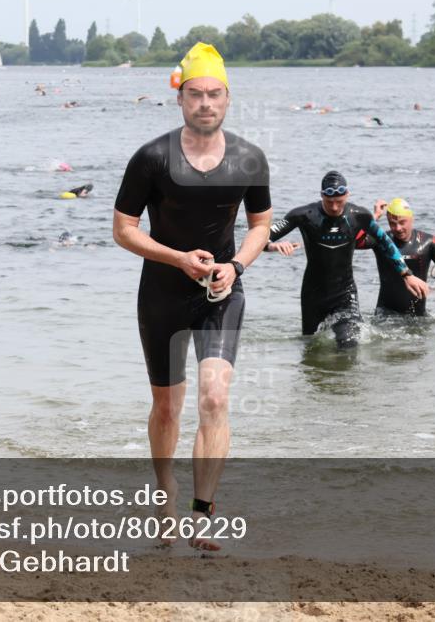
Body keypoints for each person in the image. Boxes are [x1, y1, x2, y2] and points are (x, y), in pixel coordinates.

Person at [113, 43, 271, 551]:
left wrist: (236, 265)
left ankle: (202, 512)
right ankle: (166, 493)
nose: (206, 102)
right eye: (196, 94)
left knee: (215, 396)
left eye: (215, 94)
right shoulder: (152, 158)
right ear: (180, 99)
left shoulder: (249, 157)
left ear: (228, 99)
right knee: (166, 408)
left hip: (221, 291)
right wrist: (178, 258)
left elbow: (262, 225)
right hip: (161, 290)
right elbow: (123, 230)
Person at [266, 172, 428, 348]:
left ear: (347, 195)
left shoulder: (359, 216)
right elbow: (260, 237)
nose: (335, 207)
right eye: (329, 202)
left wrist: (406, 274)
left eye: (339, 201)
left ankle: (347, 377)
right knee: (311, 348)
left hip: (344, 293)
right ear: (322, 196)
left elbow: (385, 242)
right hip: (313, 295)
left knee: (349, 344)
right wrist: (272, 246)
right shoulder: (304, 215)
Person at [363, 198, 435, 316]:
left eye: (402, 222)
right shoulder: (382, 240)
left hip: (418, 316)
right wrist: (375, 216)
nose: (398, 228)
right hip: (385, 314)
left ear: (411, 219)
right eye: (392, 223)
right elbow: (353, 238)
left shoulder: (429, 241)